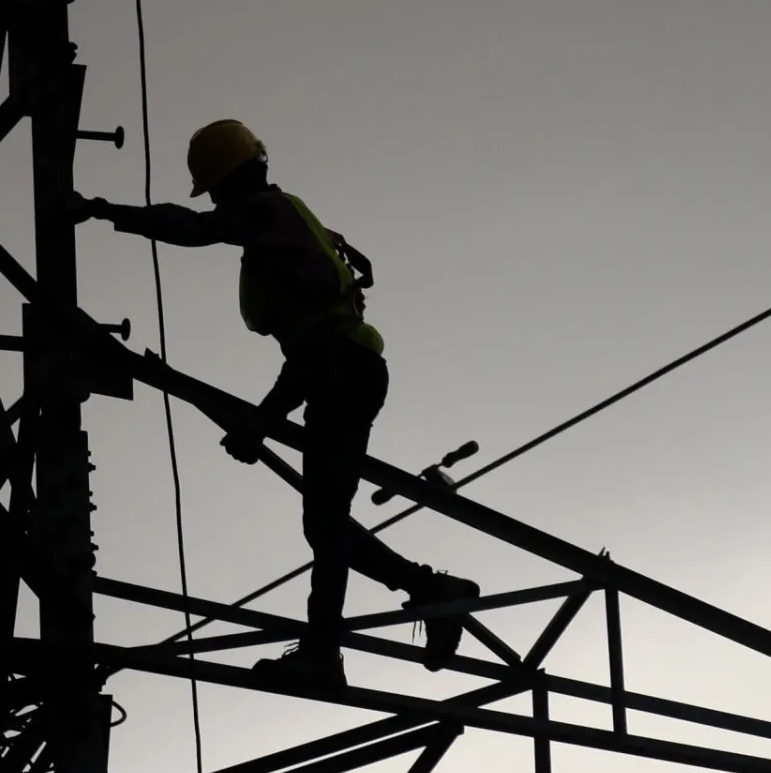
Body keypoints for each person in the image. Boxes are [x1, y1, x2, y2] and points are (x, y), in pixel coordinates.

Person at [70, 119, 479, 688]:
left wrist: (102, 211)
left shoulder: (266, 213)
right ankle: (428, 592)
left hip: (341, 372)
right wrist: (260, 422)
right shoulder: (284, 219)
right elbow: (313, 351)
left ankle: (328, 648)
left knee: (326, 523)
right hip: (345, 372)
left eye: (214, 189)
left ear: (227, 182)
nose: (215, 201)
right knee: (326, 523)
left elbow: (195, 231)